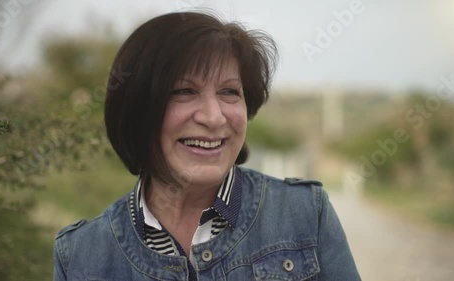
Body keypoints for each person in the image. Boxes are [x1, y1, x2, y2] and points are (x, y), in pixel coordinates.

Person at [53, 11, 361, 281]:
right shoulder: (80, 254)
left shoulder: (305, 212)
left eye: (229, 92)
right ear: (138, 109)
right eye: (184, 91)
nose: (214, 118)